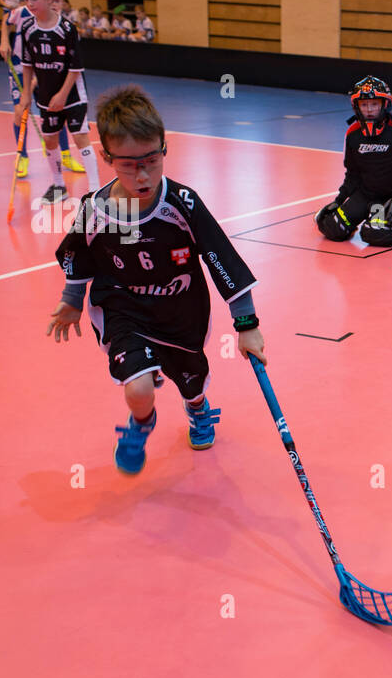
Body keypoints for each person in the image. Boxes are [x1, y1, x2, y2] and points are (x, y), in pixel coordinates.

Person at [46, 85, 266, 476]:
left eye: (152, 159)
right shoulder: (93, 210)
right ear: (105, 156)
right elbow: (77, 253)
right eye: (129, 164)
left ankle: (196, 407)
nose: (143, 174)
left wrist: (247, 325)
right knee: (139, 387)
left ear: (165, 149)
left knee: (191, 381)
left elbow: (222, 259)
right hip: (124, 307)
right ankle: (142, 423)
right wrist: (72, 299)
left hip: (180, 310)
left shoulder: (184, 204)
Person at [17, 0, 101, 204]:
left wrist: (62, 96)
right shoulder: (27, 29)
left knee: (80, 137)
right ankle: (58, 186)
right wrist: (25, 94)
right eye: (26, 0)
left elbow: (76, 68)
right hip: (45, 96)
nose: (30, 4)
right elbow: (27, 65)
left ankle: (95, 191)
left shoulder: (66, 28)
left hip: (72, 94)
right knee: (50, 140)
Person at [316, 77, 392, 249]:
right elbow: (352, 173)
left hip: (388, 199)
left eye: (374, 104)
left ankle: (390, 220)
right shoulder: (352, 133)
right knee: (331, 227)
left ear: (385, 104)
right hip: (363, 195)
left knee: (374, 234)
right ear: (356, 106)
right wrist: (339, 199)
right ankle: (359, 217)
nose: (369, 110)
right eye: (364, 105)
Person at [0, 0, 84, 181]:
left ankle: (66, 156)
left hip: (46, 74)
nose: (55, 5)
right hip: (21, 70)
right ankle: (22, 157)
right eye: (52, 1)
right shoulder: (24, 13)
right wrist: (5, 40)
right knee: (20, 112)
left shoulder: (60, 23)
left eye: (58, 2)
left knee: (56, 113)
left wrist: (37, 81)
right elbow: (6, 20)